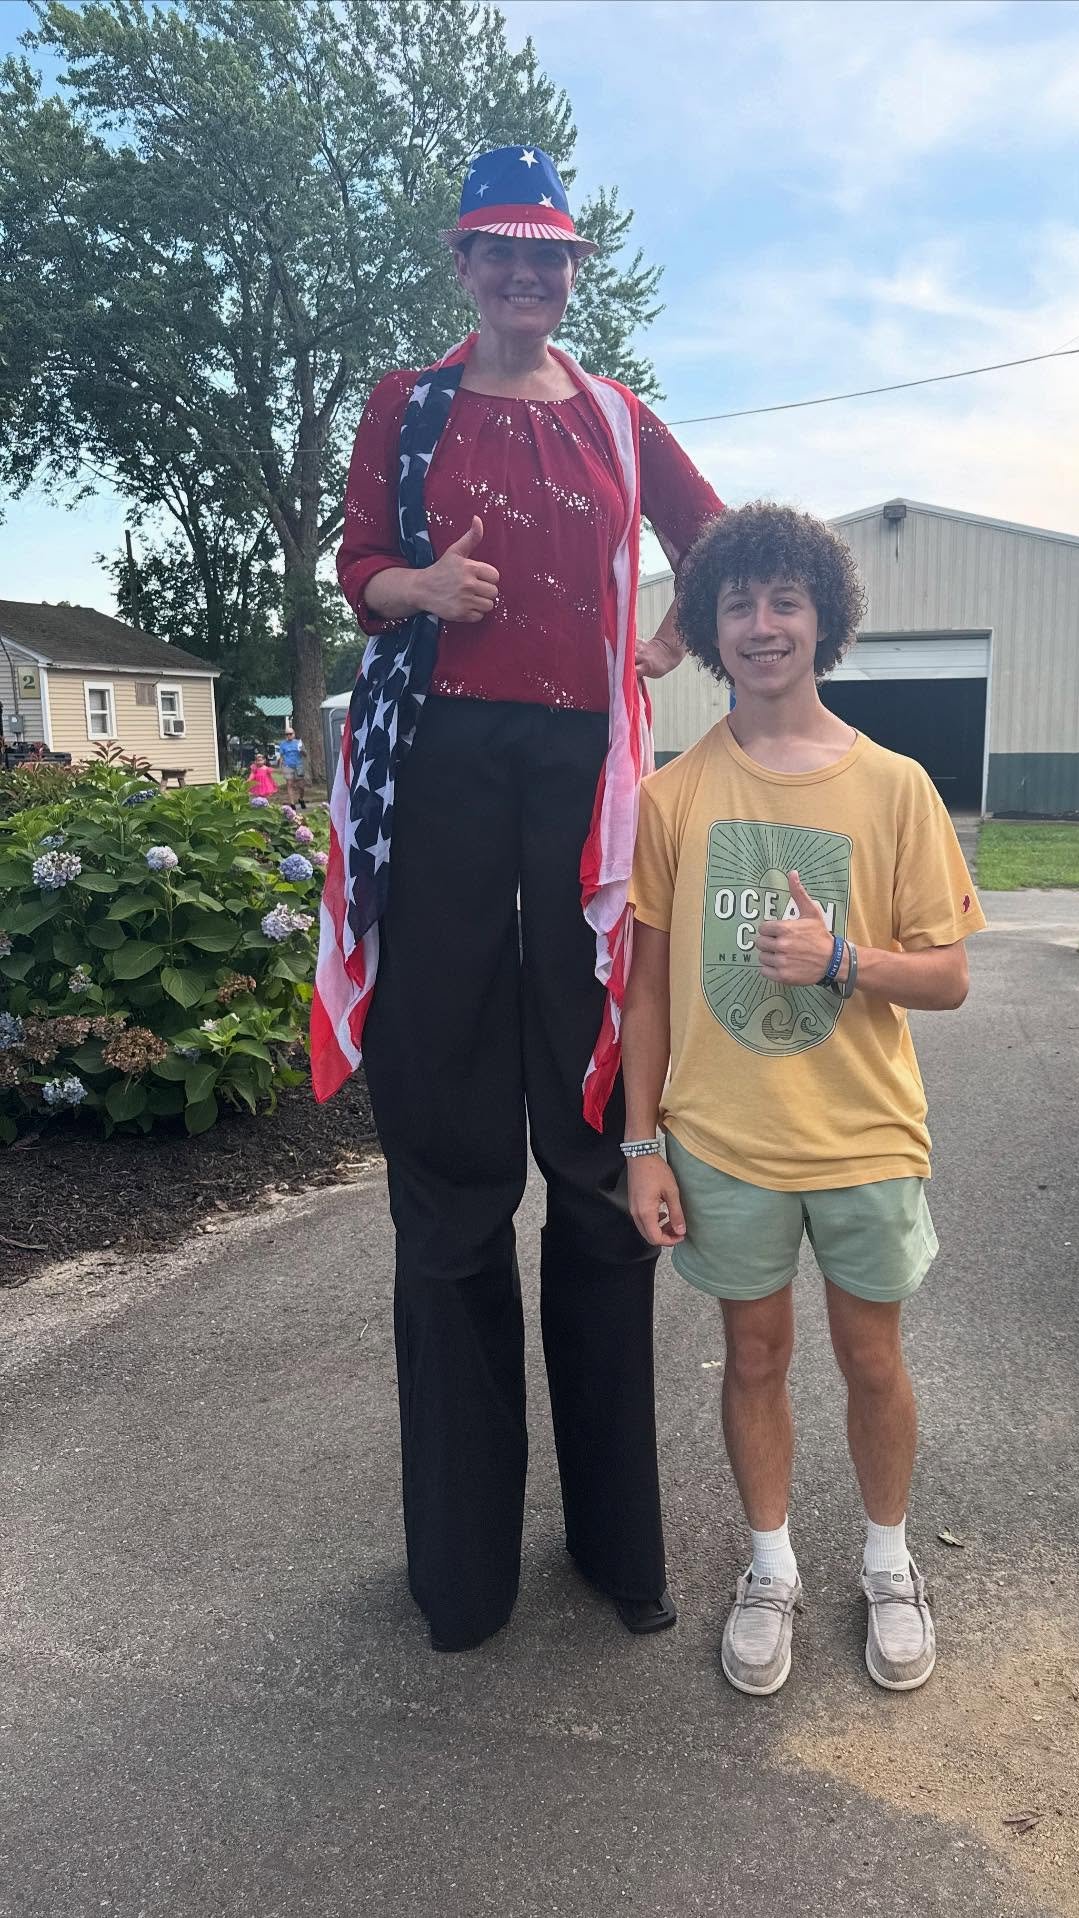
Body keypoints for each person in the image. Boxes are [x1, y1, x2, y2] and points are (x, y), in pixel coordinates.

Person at [313, 144, 723, 1653]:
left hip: (583, 788)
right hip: (440, 773)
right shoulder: (402, 403)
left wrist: (663, 651)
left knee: (601, 1133)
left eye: (548, 257)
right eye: (500, 253)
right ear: (462, 262)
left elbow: (720, 542)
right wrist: (417, 589)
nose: (525, 279)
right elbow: (358, 559)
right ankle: (462, 1564)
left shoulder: (619, 416)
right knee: (451, 1146)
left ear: (572, 271)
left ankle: (620, 1541)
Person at [623, 503, 986, 1696]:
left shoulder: (895, 788)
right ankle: (770, 1563)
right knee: (754, 1352)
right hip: (722, 1137)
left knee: (872, 1356)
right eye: (739, 603)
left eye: (786, 601)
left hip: (866, 1129)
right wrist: (642, 1145)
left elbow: (947, 974)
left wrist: (842, 961)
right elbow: (650, 993)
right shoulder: (674, 796)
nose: (763, 624)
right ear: (713, 630)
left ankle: (888, 1561)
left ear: (823, 620)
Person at [274, 725, 306, 807]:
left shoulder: (299, 742)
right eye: (287, 734)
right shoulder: (283, 744)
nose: (289, 735)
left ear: (294, 734)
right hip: (288, 766)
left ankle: (301, 798)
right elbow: (281, 756)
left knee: (301, 785)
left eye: (290, 734)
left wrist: (302, 751)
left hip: (298, 766)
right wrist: (280, 766)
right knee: (289, 784)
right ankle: (292, 803)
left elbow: (305, 755)